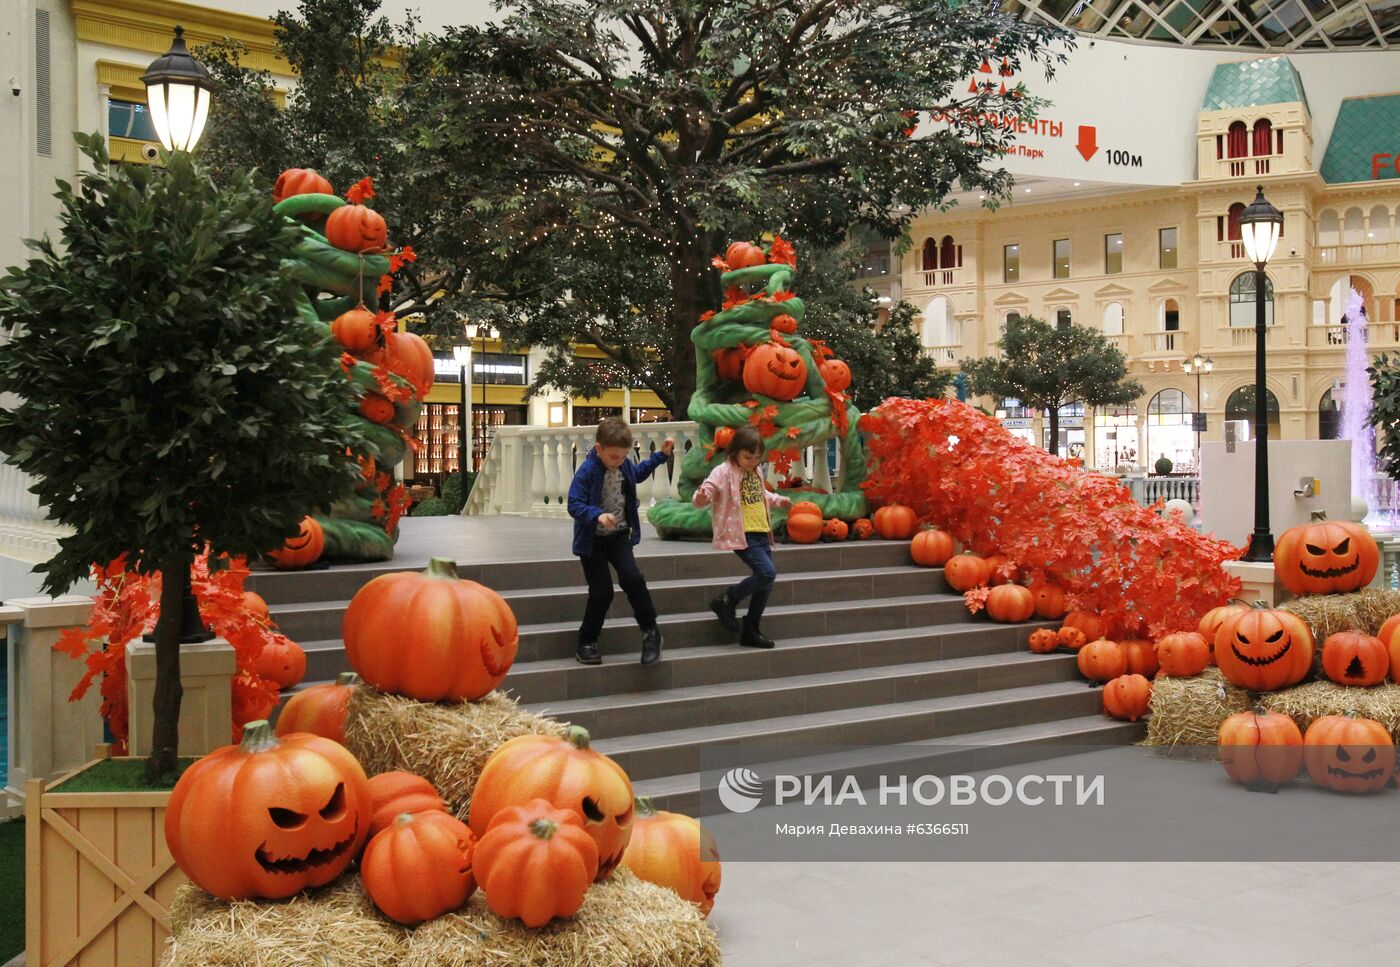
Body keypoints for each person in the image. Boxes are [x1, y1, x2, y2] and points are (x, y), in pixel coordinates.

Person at [567, 417, 675, 667]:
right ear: (599, 449)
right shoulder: (587, 471)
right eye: (613, 457)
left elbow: (637, 473)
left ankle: (651, 632)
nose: (618, 463)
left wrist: (661, 456)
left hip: (618, 535)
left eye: (622, 457)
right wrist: (597, 516)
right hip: (592, 541)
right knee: (601, 591)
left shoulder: (624, 465)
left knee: (632, 578)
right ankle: (587, 642)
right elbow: (574, 504)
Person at [692, 426, 792, 648]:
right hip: (742, 533)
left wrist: (778, 500)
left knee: (765, 583)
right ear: (735, 451)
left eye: (757, 457)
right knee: (767, 573)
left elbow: (759, 494)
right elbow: (706, 491)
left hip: (761, 530)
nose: (753, 461)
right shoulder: (723, 471)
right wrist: (701, 496)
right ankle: (727, 600)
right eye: (748, 456)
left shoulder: (754, 471)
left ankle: (751, 630)